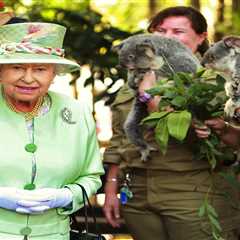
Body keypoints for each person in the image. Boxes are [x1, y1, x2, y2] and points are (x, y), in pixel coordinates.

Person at [103, 6, 240, 240]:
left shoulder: (216, 80)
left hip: (194, 191)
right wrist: (111, 187)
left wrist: (151, 97)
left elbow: (216, 138)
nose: (166, 38)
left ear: (201, 38)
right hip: (138, 192)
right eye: (160, 31)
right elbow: (120, 139)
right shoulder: (136, 78)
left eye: (177, 31)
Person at [0, 20, 104, 240]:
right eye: (17, 67)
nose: (28, 78)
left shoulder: (77, 112)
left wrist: (65, 196)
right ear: (1, 71)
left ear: (54, 74)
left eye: (40, 69)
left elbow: (92, 177)